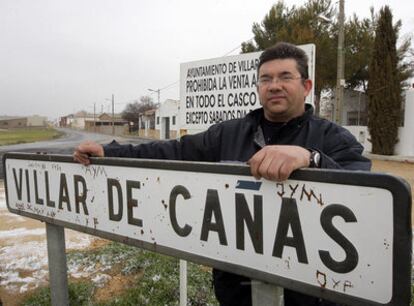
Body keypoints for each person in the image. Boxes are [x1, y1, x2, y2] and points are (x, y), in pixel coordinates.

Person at [74, 42, 371, 306]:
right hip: (235, 290)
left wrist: (312, 158)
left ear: (306, 87)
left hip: (306, 294)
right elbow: (171, 151)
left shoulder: (333, 137)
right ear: (258, 87)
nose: (274, 85)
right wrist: (111, 153)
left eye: (285, 77)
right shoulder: (228, 134)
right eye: (266, 79)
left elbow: (366, 194)